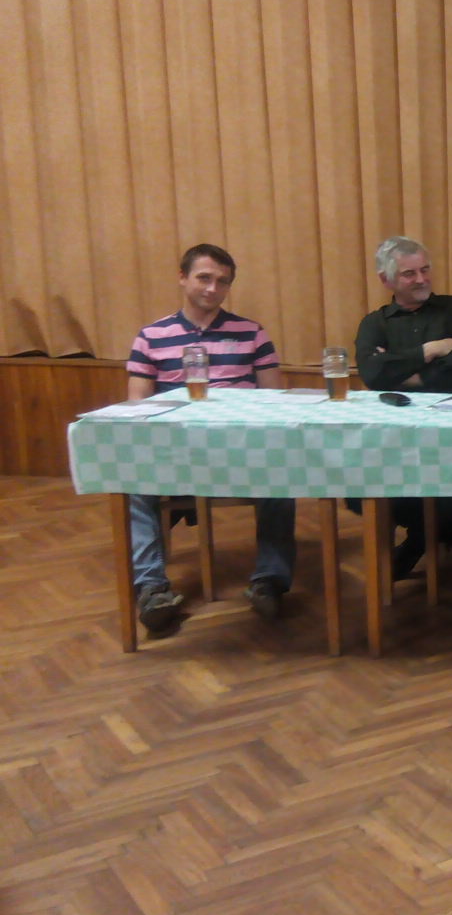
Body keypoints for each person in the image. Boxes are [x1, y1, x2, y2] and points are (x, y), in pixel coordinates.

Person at [125, 244, 295, 632]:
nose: (212, 288)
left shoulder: (252, 333)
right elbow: (137, 407)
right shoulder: (151, 336)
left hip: (240, 452)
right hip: (177, 454)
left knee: (283, 475)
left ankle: (270, 581)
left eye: (222, 281)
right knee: (134, 481)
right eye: (204, 278)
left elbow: (275, 400)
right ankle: (152, 589)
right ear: (182, 277)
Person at [354, 236, 452, 576]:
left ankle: (417, 542)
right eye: (409, 273)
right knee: (362, 487)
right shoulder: (375, 323)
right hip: (397, 440)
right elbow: (373, 374)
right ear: (386, 280)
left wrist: (406, 374)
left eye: (425, 270)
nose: (421, 279)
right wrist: (431, 350)